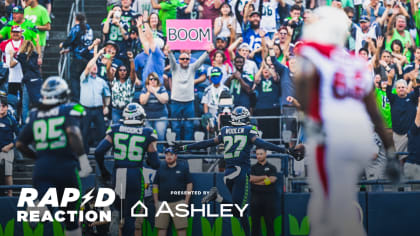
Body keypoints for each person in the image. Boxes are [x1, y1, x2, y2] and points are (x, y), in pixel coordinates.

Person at [293, 7, 398, 236]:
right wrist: (390, 153)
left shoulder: (314, 50)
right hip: (360, 139)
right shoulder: (356, 62)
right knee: (334, 204)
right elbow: (376, 114)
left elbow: (300, 83)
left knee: (325, 209)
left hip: (333, 139)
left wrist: (307, 116)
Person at [176, 106, 304, 236]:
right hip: (241, 173)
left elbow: (208, 143)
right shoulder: (249, 129)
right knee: (239, 210)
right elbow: (262, 143)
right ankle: (217, 198)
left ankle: (218, 198)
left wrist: (184, 147)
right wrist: (286, 150)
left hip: (228, 174)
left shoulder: (225, 130)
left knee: (239, 211)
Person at [16, 77, 92, 236]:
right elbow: (72, 132)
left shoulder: (35, 114)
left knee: (47, 204)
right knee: (71, 218)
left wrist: (39, 157)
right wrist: (83, 159)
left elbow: (20, 144)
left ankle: (40, 207)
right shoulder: (69, 109)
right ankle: (42, 208)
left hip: (42, 169)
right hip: (66, 168)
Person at [94, 103, 161, 236]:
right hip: (134, 175)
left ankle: (115, 217)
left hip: (118, 174)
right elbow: (155, 164)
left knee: (119, 212)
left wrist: (103, 171)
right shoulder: (147, 132)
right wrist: (147, 159)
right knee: (131, 217)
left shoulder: (115, 128)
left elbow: (98, 151)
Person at [168, 44, 212, 141]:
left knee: (189, 126)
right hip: (176, 101)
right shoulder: (175, 68)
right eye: (182, 59)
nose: (184, 61)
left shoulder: (192, 68)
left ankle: (187, 147)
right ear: (178, 60)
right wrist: (170, 52)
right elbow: (171, 59)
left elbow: (200, 61)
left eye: (187, 59)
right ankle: (177, 147)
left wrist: (208, 52)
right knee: (176, 126)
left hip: (189, 102)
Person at [153, 147, 193, 236]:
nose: (169, 157)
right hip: (162, 203)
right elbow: (155, 185)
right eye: (167, 155)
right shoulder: (160, 168)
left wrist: (186, 201)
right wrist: (156, 201)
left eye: (171, 154)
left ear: (176, 156)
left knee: (181, 229)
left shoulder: (183, 168)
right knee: (161, 228)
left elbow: (189, 184)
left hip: (179, 203)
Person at [80, 49, 111, 153]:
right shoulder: (84, 78)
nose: (95, 67)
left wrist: (106, 106)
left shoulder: (101, 81)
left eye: (96, 66)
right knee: (84, 132)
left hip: (98, 110)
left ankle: (102, 152)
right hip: (86, 109)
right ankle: (84, 153)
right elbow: (89, 66)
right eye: (93, 66)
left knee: (102, 132)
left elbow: (107, 95)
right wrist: (98, 54)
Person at [59, 13, 95, 102]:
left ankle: (76, 99)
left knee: (74, 78)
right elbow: (81, 42)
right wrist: (69, 50)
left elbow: (71, 39)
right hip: (89, 57)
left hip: (78, 58)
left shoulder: (76, 28)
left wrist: (63, 44)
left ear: (76, 19)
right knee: (86, 78)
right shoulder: (89, 28)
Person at [386, 70, 419, 162]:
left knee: (410, 158)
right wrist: (389, 78)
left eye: (403, 87)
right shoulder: (393, 98)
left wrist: (414, 81)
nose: (401, 89)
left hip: (410, 134)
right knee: (399, 158)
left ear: (406, 88)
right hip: (398, 134)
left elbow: (417, 93)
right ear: (396, 89)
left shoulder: (411, 98)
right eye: (399, 87)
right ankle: (400, 176)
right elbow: (388, 92)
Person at [250, 147, 278, 236]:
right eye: (257, 154)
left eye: (261, 154)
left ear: (265, 154)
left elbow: (272, 179)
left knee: (269, 223)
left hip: (268, 198)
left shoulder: (272, 167)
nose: (259, 156)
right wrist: (264, 177)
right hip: (255, 198)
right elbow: (251, 179)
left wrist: (257, 182)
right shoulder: (253, 168)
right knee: (255, 224)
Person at [140, 72, 169, 152]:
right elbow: (142, 102)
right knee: (147, 136)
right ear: (148, 81)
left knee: (160, 136)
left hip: (160, 116)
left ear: (157, 80)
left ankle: (159, 153)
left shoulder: (162, 88)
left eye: (155, 79)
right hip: (147, 117)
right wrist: (149, 92)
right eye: (151, 79)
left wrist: (155, 92)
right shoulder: (145, 89)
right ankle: (149, 153)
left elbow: (165, 100)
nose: (153, 81)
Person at [107, 51, 139, 124]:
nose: (122, 72)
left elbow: (133, 71)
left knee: (128, 129)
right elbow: (108, 70)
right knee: (116, 129)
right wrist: (110, 59)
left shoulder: (130, 81)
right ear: (117, 72)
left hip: (128, 110)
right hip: (116, 110)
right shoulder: (114, 81)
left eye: (124, 70)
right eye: (120, 70)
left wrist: (131, 59)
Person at [16, 40, 43, 123]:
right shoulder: (35, 55)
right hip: (38, 80)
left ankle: (25, 124)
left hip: (28, 81)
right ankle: (39, 122)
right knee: (38, 103)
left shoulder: (21, 56)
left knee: (25, 105)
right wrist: (37, 43)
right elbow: (39, 58)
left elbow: (15, 57)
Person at [0, 93, 18, 196]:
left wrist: (10, 146)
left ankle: (10, 195)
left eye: (4, 106)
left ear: (7, 107)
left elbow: (20, 136)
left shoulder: (11, 120)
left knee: (8, 174)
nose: (1, 108)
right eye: (0, 106)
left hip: (7, 150)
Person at [404, 92, 420, 188]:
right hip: (415, 167)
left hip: (414, 166)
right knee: (416, 198)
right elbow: (418, 116)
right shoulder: (414, 129)